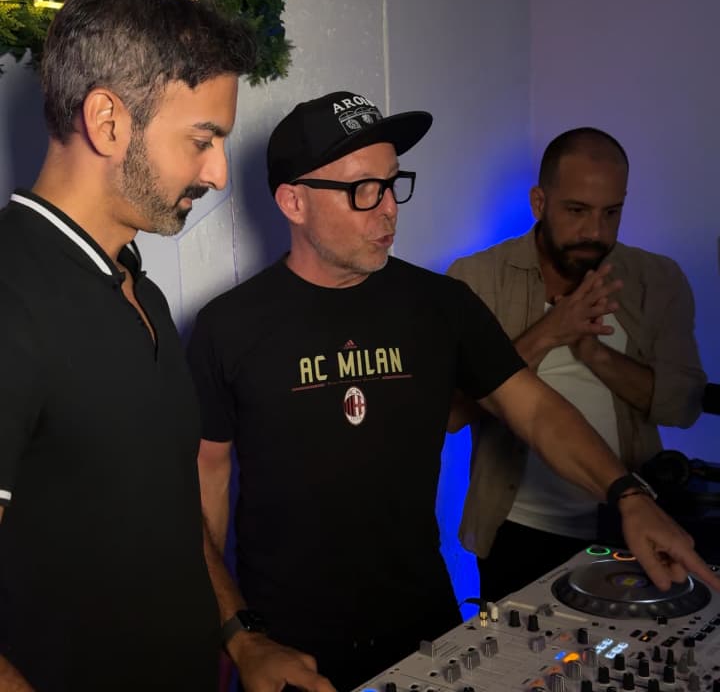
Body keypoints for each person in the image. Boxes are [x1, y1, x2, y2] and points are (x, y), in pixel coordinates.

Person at [187, 94, 718, 692]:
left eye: (393, 184)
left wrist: (628, 495)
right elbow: (202, 494)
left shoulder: (439, 305)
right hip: (286, 648)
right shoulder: (228, 328)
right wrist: (238, 635)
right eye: (364, 190)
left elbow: (536, 410)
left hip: (424, 631)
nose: (389, 209)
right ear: (294, 201)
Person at [0, 0, 301, 691]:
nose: (219, 172)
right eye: (202, 139)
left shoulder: (141, 291)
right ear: (108, 121)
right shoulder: (10, 295)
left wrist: (240, 635)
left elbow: (166, 507)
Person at [447, 127, 707, 602]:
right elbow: (450, 414)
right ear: (539, 202)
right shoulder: (475, 277)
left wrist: (596, 356)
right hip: (516, 530)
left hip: (629, 523)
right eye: (576, 211)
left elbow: (684, 406)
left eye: (611, 213)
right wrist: (550, 332)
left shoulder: (658, 278)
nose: (595, 232)